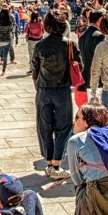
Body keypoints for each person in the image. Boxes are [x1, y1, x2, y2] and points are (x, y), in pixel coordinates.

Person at [31, 9, 72, 180]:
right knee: (63, 127)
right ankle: (56, 163)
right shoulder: (69, 44)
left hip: (44, 90)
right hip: (62, 90)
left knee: (45, 126)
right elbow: (79, 66)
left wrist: (38, 85)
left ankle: (49, 162)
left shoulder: (40, 45)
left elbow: (35, 69)